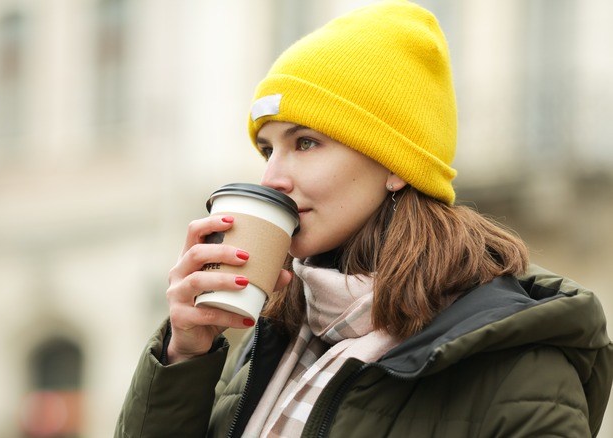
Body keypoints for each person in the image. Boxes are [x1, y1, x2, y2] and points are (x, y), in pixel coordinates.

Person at [116, 0, 613, 436]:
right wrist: (184, 356)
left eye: (305, 143)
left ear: (395, 165)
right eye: (268, 148)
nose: (272, 177)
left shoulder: (520, 363)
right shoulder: (269, 339)